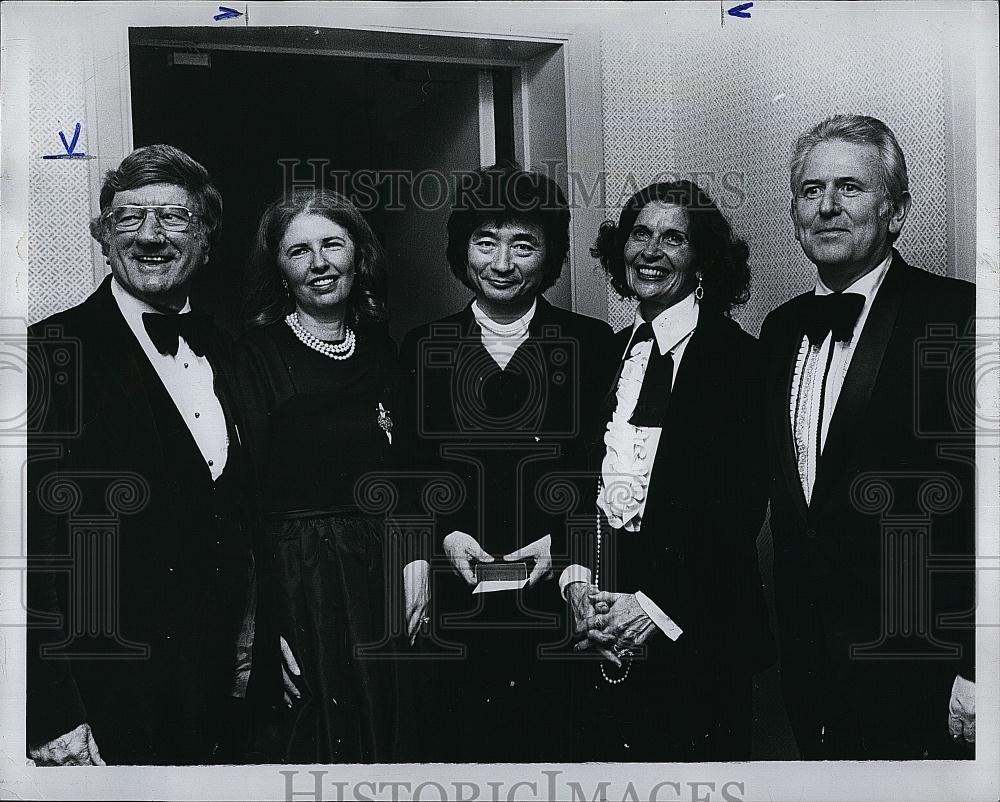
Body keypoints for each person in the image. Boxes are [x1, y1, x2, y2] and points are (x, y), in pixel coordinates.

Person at [26, 144, 256, 765]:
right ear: (103, 238)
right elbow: (22, 551)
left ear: (206, 240)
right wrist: (51, 714)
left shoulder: (228, 351)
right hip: (101, 699)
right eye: (129, 218)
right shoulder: (48, 353)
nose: (150, 235)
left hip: (217, 696)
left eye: (174, 218)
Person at [761, 114, 976, 759]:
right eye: (810, 190)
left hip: (927, 673)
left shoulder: (959, 316)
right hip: (810, 670)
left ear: (896, 211)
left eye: (849, 187)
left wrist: (978, 667)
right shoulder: (780, 329)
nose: (826, 206)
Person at [396, 163, 613, 762]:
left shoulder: (593, 345)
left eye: (523, 244)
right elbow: (409, 473)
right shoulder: (422, 346)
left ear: (550, 256)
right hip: (454, 601)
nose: (501, 263)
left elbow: (606, 474)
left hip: (559, 601)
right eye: (485, 241)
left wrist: (562, 546)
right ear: (461, 250)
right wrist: (444, 537)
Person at [567, 179, 775, 761]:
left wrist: (652, 606)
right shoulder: (606, 354)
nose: (650, 251)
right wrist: (578, 583)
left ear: (704, 260)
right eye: (640, 234)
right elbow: (578, 487)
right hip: (602, 613)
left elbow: (738, 511)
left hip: (697, 617)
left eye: (673, 238)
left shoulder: (741, 360)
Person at [238, 188, 405, 763]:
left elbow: (408, 474)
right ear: (279, 270)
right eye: (298, 251)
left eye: (332, 244)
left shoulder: (384, 350)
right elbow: (244, 499)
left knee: (389, 735)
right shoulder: (253, 356)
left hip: (382, 573)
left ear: (359, 255)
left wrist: (415, 560)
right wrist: (266, 631)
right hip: (301, 579)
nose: (319, 263)